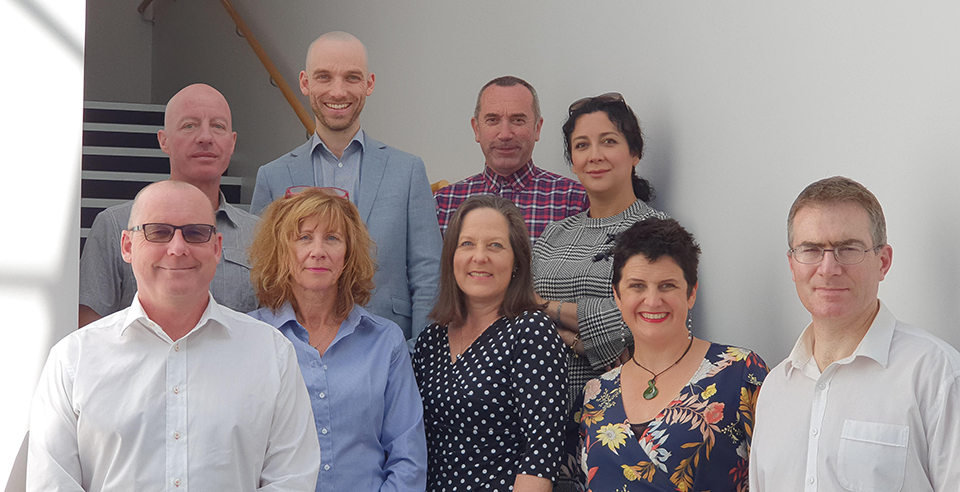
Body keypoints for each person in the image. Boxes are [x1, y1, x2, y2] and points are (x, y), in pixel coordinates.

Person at [28, 181, 319, 491]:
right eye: (158, 231)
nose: (178, 248)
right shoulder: (73, 359)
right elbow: (52, 483)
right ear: (127, 246)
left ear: (217, 247)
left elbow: (292, 480)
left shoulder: (271, 354)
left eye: (195, 233)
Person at [749, 176, 960, 491]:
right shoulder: (775, 388)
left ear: (883, 262)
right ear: (792, 264)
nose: (828, 268)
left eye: (848, 249)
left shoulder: (936, 375)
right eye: (810, 249)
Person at [251, 32, 441, 344]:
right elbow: (263, 277)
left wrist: (418, 354)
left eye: (351, 77)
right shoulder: (273, 176)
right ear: (305, 82)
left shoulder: (407, 171)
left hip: (390, 351)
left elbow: (428, 273)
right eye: (324, 77)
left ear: (369, 83)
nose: (337, 91)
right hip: (296, 353)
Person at [247, 187, 427, 492]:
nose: (318, 251)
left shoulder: (385, 341)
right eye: (304, 237)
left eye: (332, 238)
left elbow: (407, 455)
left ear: (348, 253)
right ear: (282, 249)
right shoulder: (252, 338)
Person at [531, 93, 666, 482]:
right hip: (543, 419)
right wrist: (582, 334)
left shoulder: (655, 232)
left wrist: (545, 308)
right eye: (582, 145)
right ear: (572, 160)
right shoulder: (553, 234)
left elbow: (633, 319)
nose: (595, 155)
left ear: (634, 153)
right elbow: (517, 314)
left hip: (620, 418)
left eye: (609, 141)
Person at [579, 218, 768, 491]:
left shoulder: (740, 371)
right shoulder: (595, 393)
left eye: (667, 285)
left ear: (691, 293)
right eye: (637, 286)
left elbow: (778, 475)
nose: (653, 301)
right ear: (617, 296)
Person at [413, 195, 568, 491]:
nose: (479, 257)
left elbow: (541, 453)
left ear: (516, 261)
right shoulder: (430, 342)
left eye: (495, 245)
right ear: (451, 258)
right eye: (467, 244)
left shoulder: (530, 331)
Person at [79, 83, 259, 327]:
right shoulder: (116, 225)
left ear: (232, 142)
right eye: (189, 126)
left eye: (218, 126)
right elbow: (90, 328)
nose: (206, 137)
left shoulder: (259, 235)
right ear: (164, 140)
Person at [434, 76, 587, 240]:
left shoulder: (577, 201)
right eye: (492, 120)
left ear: (537, 128)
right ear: (476, 129)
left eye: (518, 120)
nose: (505, 134)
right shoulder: (442, 205)